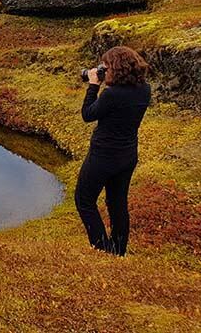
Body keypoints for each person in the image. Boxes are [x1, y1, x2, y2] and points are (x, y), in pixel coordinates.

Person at [75, 46, 151, 256]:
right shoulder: (145, 89)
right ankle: (118, 251)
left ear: (116, 68)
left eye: (106, 67)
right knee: (117, 203)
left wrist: (93, 86)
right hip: (127, 156)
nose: (104, 70)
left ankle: (102, 249)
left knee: (84, 200)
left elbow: (88, 114)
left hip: (103, 156)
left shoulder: (112, 95)